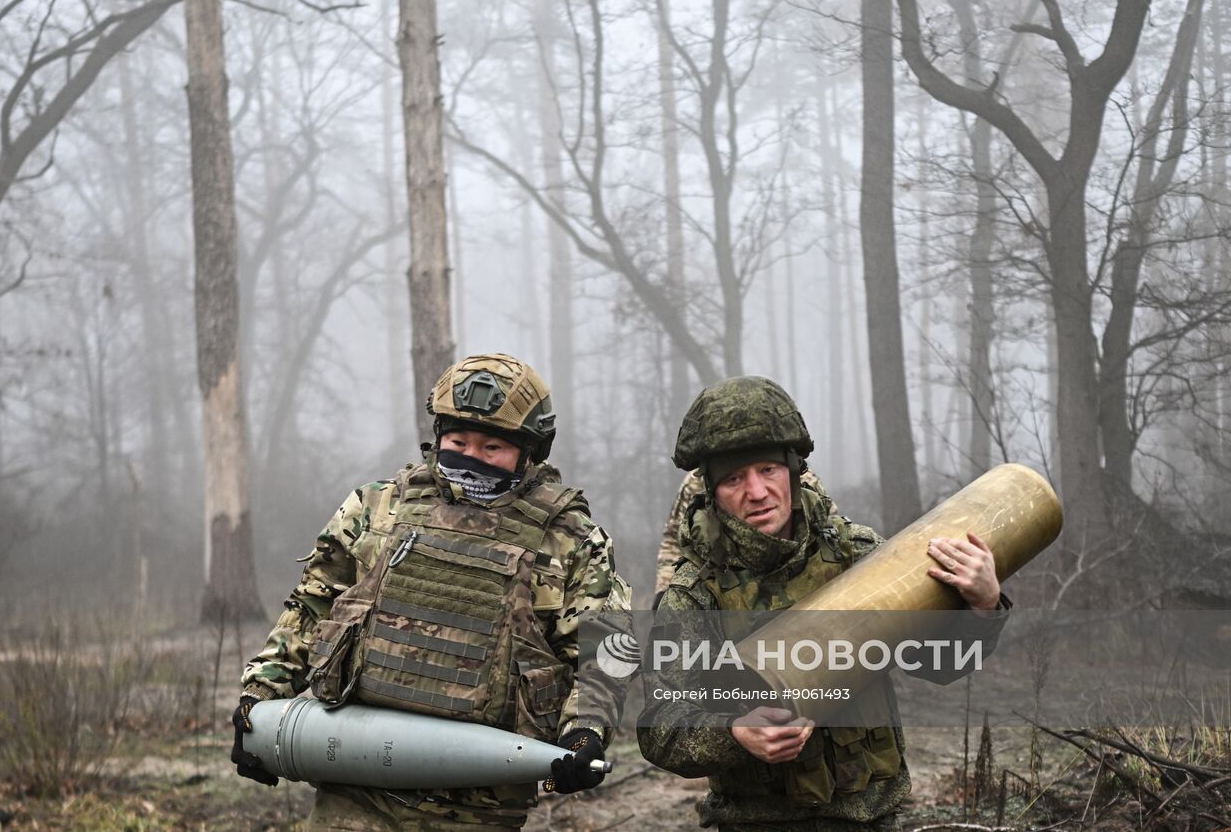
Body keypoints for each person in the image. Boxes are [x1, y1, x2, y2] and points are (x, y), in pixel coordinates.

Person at [235, 353, 632, 830]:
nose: (469, 457)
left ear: (529, 453)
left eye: (492, 448)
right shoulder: (377, 508)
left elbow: (604, 654)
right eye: (457, 440)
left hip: (479, 798)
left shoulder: (570, 539)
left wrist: (585, 732)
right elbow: (312, 606)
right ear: (437, 435)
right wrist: (259, 698)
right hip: (354, 776)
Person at [639, 376, 1008, 831]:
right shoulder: (694, 595)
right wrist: (734, 733)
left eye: (768, 470)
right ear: (712, 492)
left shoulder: (860, 556)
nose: (756, 492)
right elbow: (660, 726)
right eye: (734, 478)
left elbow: (939, 663)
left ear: (793, 470)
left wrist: (983, 606)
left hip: (872, 818)